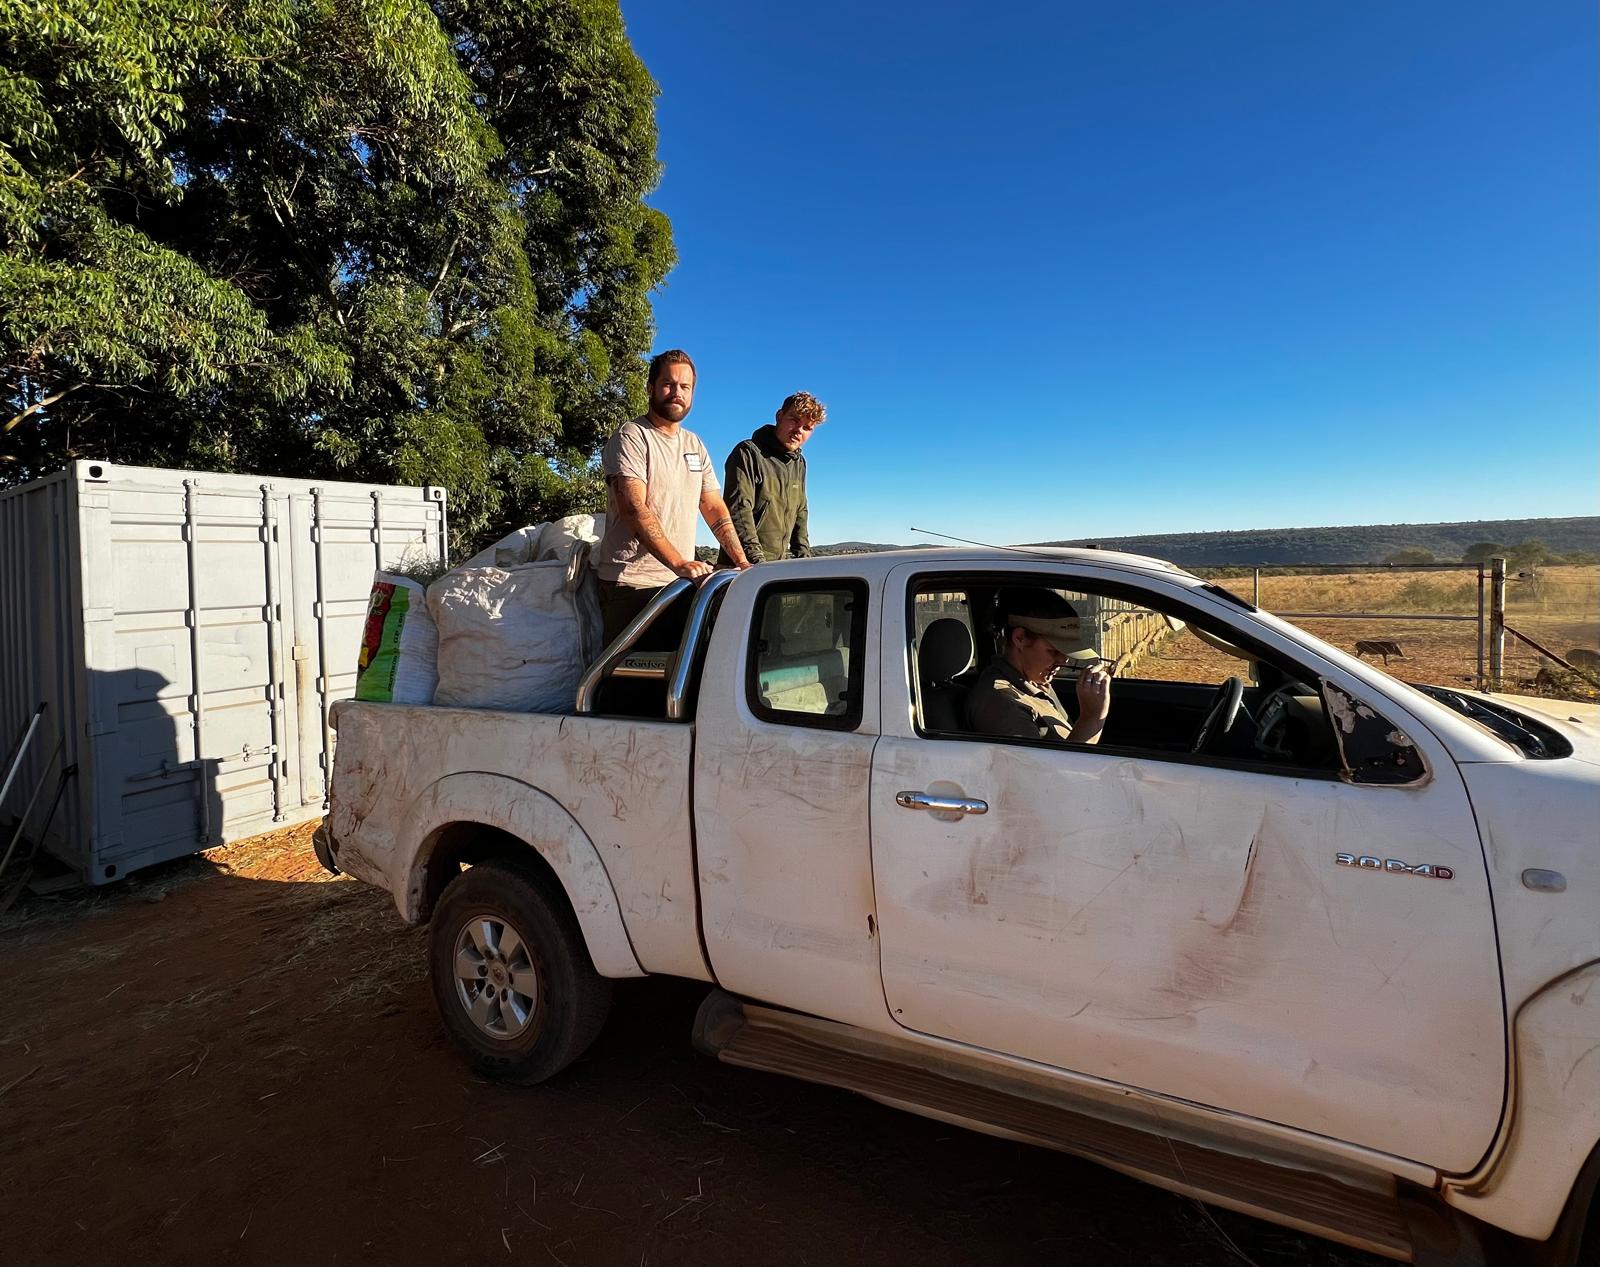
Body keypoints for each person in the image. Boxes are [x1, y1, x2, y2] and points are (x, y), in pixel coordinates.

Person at [592, 349, 752, 643]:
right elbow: (633, 507)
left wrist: (741, 563)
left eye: (685, 387)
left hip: (678, 584)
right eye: (668, 384)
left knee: (678, 678)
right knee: (629, 682)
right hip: (633, 586)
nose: (676, 392)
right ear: (651, 387)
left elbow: (713, 506)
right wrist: (680, 563)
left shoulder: (694, 444)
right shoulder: (632, 436)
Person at [965, 588, 1112, 743]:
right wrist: (1091, 717)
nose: (1064, 660)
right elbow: (1049, 768)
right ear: (1020, 638)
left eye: (1067, 652)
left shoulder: (1033, 681)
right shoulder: (1002, 705)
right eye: (1054, 650)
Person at [718, 391, 825, 566]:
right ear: (779, 416)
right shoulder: (748, 453)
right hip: (741, 567)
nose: (799, 431)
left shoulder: (799, 463)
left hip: (776, 568)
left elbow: (800, 513)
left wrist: (806, 562)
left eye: (807, 428)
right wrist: (757, 563)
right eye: (794, 420)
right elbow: (738, 509)